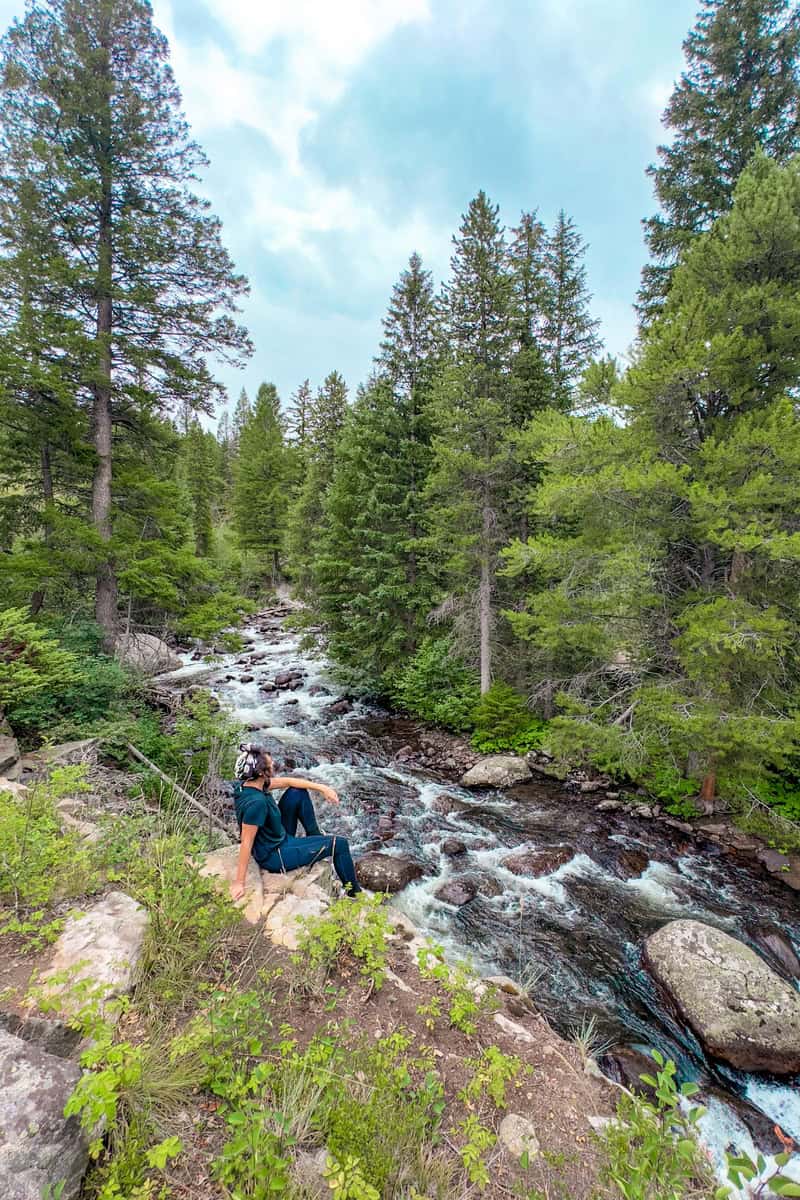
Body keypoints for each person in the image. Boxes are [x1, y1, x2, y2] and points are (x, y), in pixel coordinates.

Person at [229, 743, 362, 900]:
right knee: (339, 844)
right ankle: (355, 895)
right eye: (270, 765)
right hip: (275, 854)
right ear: (261, 773)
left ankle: (315, 835)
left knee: (296, 792)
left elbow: (290, 781)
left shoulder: (250, 784)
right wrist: (239, 882)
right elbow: (246, 841)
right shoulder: (256, 804)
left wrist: (323, 788)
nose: (274, 765)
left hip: (276, 834)